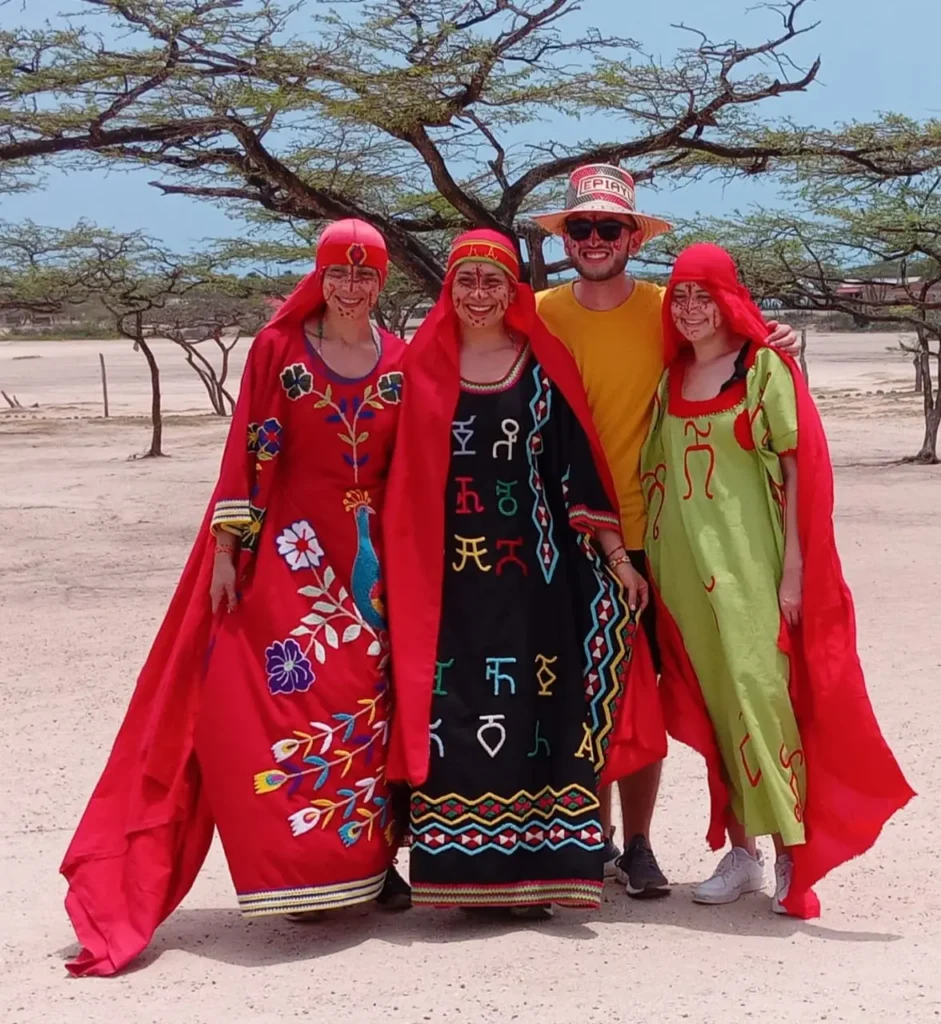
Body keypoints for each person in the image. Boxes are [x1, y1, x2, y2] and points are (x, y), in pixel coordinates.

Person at [60, 219, 410, 977]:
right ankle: (296, 869)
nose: (352, 287)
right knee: (287, 702)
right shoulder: (279, 353)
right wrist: (227, 548)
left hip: (373, 558)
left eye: (366, 275)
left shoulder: (400, 358)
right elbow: (250, 450)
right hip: (290, 553)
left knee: (370, 704)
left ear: (382, 282)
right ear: (320, 277)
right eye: (339, 273)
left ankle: (371, 865)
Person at [532, 163, 803, 898]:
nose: (594, 239)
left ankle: (643, 844)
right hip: (564, 536)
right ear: (565, 238)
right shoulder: (541, 311)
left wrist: (774, 334)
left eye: (609, 227)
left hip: (659, 532)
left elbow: (725, 341)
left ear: (631, 236)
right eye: (581, 227)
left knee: (651, 688)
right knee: (584, 691)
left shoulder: (665, 307)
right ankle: (593, 839)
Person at [382, 229, 666, 915]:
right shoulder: (419, 369)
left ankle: (536, 873)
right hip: (446, 585)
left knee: (538, 714)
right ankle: (457, 876)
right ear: (448, 291)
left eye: (492, 281)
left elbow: (576, 471)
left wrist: (617, 560)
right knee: (450, 713)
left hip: (534, 582)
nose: (478, 294)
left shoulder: (543, 364)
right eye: (466, 282)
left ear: (514, 291)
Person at [641, 242, 914, 915]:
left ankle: (795, 851)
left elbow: (796, 472)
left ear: (727, 297)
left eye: (703, 294)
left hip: (752, 572)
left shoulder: (762, 367)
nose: (690, 308)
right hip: (680, 578)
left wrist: (793, 571)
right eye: (679, 295)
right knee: (711, 708)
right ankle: (742, 853)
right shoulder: (668, 376)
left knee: (763, 697)